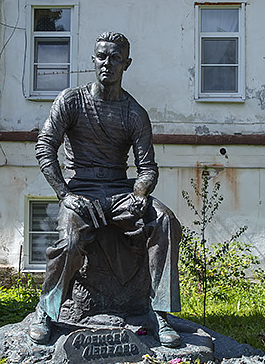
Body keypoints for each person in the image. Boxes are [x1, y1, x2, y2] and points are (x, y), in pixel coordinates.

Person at [30, 31, 181, 346]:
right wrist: (65, 195)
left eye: (115, 58)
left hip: (119, 192)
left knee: (164, 220)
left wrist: (140, 194)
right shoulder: (71, 101)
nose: (107, 63)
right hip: (81, 192)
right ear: (93, 59)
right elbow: (45, 146)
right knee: (70, 241)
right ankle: (46, 310)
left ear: (127, 63)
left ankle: (161, 314)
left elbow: (147, 168)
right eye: (102, 56)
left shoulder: (133, 113)